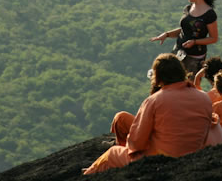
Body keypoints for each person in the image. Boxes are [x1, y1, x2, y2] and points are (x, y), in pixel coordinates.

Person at [83, 54, 213, 175]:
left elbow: (137, 143)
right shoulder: (205, 98)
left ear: (158, 77)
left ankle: (88, 174)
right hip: (191, 157)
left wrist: (131, 148)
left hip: (159, 160)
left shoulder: (155, 100)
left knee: (112, 153)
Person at [150, 0, 218, 77]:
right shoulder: (188, 8)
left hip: (194, 58)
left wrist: (194, 42)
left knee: (188, 86)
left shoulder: (209, 14)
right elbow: (184, 30)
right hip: (179, 52)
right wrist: (167, 34)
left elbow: (213, 38)